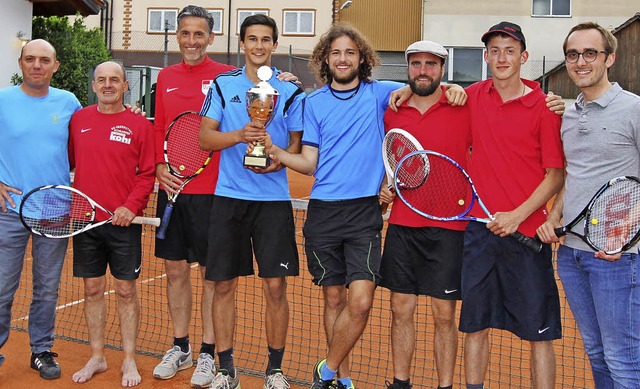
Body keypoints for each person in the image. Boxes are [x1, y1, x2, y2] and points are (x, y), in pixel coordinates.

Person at [198, 14, 305, 389]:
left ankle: (274, 370)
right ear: (241, 43)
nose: (258, 46)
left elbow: (295, 142)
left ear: (274, 45)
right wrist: (239, 134)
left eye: (265, 40)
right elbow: (204, 139)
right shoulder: (223, 85)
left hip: (273, 201)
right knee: (224, 284)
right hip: (229, 199)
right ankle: (226, 369)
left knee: (276, 287)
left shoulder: (290, 90)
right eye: (252, 39)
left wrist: (279, 158)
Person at [458, 22, 564, 389]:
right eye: (495, 50)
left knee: (540, 333)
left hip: (527, 234)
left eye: (510, 50)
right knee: (475, 326)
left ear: (524, 57)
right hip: (480, 231)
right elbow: (428, 94)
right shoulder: (471, 96)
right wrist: (401, 93)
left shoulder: (545, 107)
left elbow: (555, 175)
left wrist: (517, 216)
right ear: (486, 57)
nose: (502, 57)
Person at [537, 22, 640, 388]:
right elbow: (573, 174)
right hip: (573, 254)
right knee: (596, 353)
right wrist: (554, 214)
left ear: (609, 58)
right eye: (573, 54)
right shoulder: (568, 114)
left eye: (590, 53)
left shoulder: (633, 110)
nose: (580, 62)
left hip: (616, 260)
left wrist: (627, 236)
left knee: (623, 358)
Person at [379, 40, 471, 389]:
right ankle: (401, 383)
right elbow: (391, 161)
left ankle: (444, 385)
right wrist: (385, 189)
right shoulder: (392, 110)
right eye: (415, 64)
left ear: (442, 70)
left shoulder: (465, 105)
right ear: (407, 68)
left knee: (444, 315)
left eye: (430, 64)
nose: (422, 70)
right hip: (403, 224)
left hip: (450, 227)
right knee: (400, 308)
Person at [151, 6, 234, 388]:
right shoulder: (165, 77)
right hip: (172, 192)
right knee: (175, 271)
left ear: (211, 38)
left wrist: (277, 77)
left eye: (199, 34)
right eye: (185, 33)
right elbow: (160, 130)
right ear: (178, 36)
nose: (191, 41)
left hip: (213, 194)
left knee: (212, 277)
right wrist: (158, 166)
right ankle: (180, 345)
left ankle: (207, 352)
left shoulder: (226, 77)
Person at [68, 61, 155, 387]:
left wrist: (130, 207)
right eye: (102, 80)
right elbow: (69, 160)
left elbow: (147, 173)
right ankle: (98, 356)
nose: (108, 85)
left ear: (125, 86)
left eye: (114, 80)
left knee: (125, 290)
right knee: (91, 289)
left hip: (123, 223)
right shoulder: (78, 120)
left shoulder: (139, 124)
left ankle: (129, 359)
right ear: (93, 85)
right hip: (86, 222)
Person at [0, 39, 82, 379]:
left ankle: (42, 350)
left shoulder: (70, 102)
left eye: (44, 60)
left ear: (55, 66)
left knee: (47, 287)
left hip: (55, 210)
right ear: (20, 63)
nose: (37, 65)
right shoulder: (3, 100)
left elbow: (86, 142)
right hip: (10, 210)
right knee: (3, 286)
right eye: (30, 59)